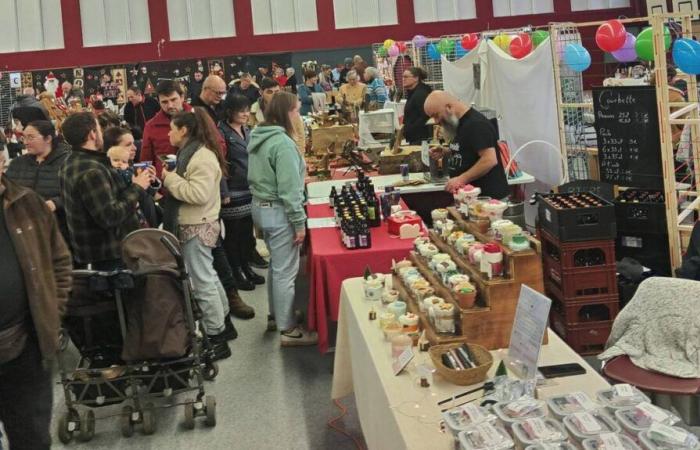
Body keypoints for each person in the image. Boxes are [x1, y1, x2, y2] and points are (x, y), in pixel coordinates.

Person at [0, 150, 72, 450]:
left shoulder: (28, 204)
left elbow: (59, 261)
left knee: (32, 439)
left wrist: (50, 313)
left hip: (26, 344)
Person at [161, 107, 236, 360]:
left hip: (198, 225)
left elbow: (198, 194)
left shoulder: (201, 157)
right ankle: (224, 326)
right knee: (209, 277)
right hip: (198, 223)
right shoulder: (190, 153)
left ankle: (217, 338)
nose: (169, 133)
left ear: (183, 130)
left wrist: (170, 179)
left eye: (172, 129)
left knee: (202, 282)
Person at [248, 92, 317, 345]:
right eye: (297, 110)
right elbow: (288, 191)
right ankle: (288, 329)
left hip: (262, 207)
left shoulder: (259, 136)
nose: (298, 115)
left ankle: (276, 314)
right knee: (286, 271)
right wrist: (299, 223)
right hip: (278, 211)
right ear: (287, 113)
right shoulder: (283, 144)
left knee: (277, 268)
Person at [59, 111, 154, 268]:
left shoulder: (70, 162)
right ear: (92, 134)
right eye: (99, 129)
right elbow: (110, 216)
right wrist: (137, 187)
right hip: (109, 256)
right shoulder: (92, 171)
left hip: (97, 253)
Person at [218, 94, 265, 299]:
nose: (246, 113)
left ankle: (246, 267)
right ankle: (236, 271)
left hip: (249, 188)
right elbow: (219, 164)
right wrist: (224, 191)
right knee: (233, 235)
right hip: (232, 191)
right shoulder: (221, 132)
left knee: (247, 233)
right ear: (230, 112)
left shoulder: (247, 130)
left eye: (247, 109)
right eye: (241, 110)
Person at [424, 91, 509, 199]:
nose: (436, 121)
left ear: (449, 107)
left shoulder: (476, 124)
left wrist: (461, 179)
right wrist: (445, 151)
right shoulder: (457, 123)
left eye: (436, 115)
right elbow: (467, 148)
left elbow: (489, 160)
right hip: (470, 197)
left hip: (487, 200)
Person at [5, 120, 71, 240]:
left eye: (31, 138)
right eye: (23, 137)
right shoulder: (17, 164)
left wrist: (56, 203)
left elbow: (76, 193)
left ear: (48, 138)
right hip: (22, 234)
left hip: (58, 232)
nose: (25, 142)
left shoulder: (67, 162)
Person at [141, 80, 193, 177]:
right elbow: (146, 161)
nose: (170, 105)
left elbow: (218, 145)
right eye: (164, 102)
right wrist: (153, 188)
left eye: (173, 100)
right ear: (159, 102)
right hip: (165, 185)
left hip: (196, 180)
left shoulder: (198, 117)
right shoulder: (151, 126)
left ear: (182, 97)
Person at [250, 78, 307, 162]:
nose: (274, 95)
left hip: (289, 154)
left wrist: (299, 157)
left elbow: (300, 135)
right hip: (264, 158)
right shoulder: (253, 111)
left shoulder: (290, 109)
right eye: (269, 92)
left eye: (277, 92)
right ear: (261, 92)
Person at [402, 67, 433, 145]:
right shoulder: (413, 92)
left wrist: (410, 129)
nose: (403, 79)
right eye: (403, 77)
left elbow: (426, 117)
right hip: (415, 137)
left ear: (416, 78)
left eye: (406, 77)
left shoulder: (421, 94)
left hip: (421, 138)